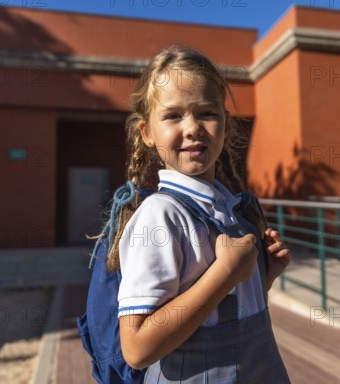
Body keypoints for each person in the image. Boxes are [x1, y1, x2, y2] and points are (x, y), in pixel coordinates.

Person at [110, 45, 291, 383]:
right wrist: (225, 271)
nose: (192, 127)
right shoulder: (160, 216)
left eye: (207, 112)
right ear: (146, 132)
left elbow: (221, 310)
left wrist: (260, 276)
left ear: (226, 125)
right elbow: (136, 349)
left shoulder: (229, 207)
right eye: (173, 115)